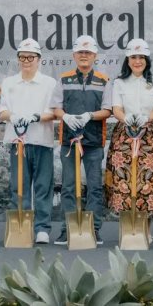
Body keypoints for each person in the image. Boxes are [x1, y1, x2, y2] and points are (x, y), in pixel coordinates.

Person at [104, 39, 153, 243]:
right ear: (128, 59)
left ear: (147, 59)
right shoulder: (119, 82)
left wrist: (146, 118)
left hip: (150, 137)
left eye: (141, 57)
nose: (137, 61)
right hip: (125, 135)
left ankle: (146, 231)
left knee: (147, 183)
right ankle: (128, 229)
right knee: (124, 182)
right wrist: (127, 119)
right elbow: (116, 108)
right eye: (134, 57)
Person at [51, 35, 111, 246]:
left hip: (94, 141)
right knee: (68, 186)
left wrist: (90, 115)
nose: (84, 56)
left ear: (94, 55)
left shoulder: (104, 80)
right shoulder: (64, 79)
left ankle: (93, 228)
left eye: (88, 53)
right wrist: (65, 116)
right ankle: (68, 229)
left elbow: (107, 110)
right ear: (74, 55)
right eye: (80, 53)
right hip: (69, 141)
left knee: (94, 186)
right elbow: (56, 107)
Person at [0, 38, 57, 244]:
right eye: (22, 57)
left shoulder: (49, 83)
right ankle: (20, 223)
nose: (26, 61)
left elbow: (54, 112)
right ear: (18, 59)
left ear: (39, 59)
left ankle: (42, 228)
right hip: (18, 141)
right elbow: (2, 111)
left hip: (42, 140)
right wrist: (12, 117)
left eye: (31, 57)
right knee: (19, 185)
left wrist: (36, 116)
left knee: (43, 185)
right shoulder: (9, 83)